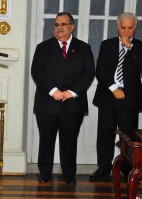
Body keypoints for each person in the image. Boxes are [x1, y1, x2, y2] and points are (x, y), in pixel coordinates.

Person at [31, 12, 95, 186]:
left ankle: (69, 176)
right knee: (46, 140)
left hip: (73, 103)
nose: (59, 28)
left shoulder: (84, 48)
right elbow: (37, 72)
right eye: (56, 25)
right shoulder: (43, 47)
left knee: (69, 141)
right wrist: (53, 91)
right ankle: (45, 173)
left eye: (63, 24)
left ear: (72, 27)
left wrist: (71, 92)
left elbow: (88, 73)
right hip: (47, 102)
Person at [90, 12, 142, 182]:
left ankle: (128, 171)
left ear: (135, 28)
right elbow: (101, 70)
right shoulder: (107, 44)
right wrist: (113, 88)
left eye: (130, 28)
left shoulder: (140, 47)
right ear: (117, 27)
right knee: (105, 135)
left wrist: (131, 48)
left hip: (130, 100)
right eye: (123, 28)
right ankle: (103, 168)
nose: (126, 32)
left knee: (128, 139)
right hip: (108, 96)